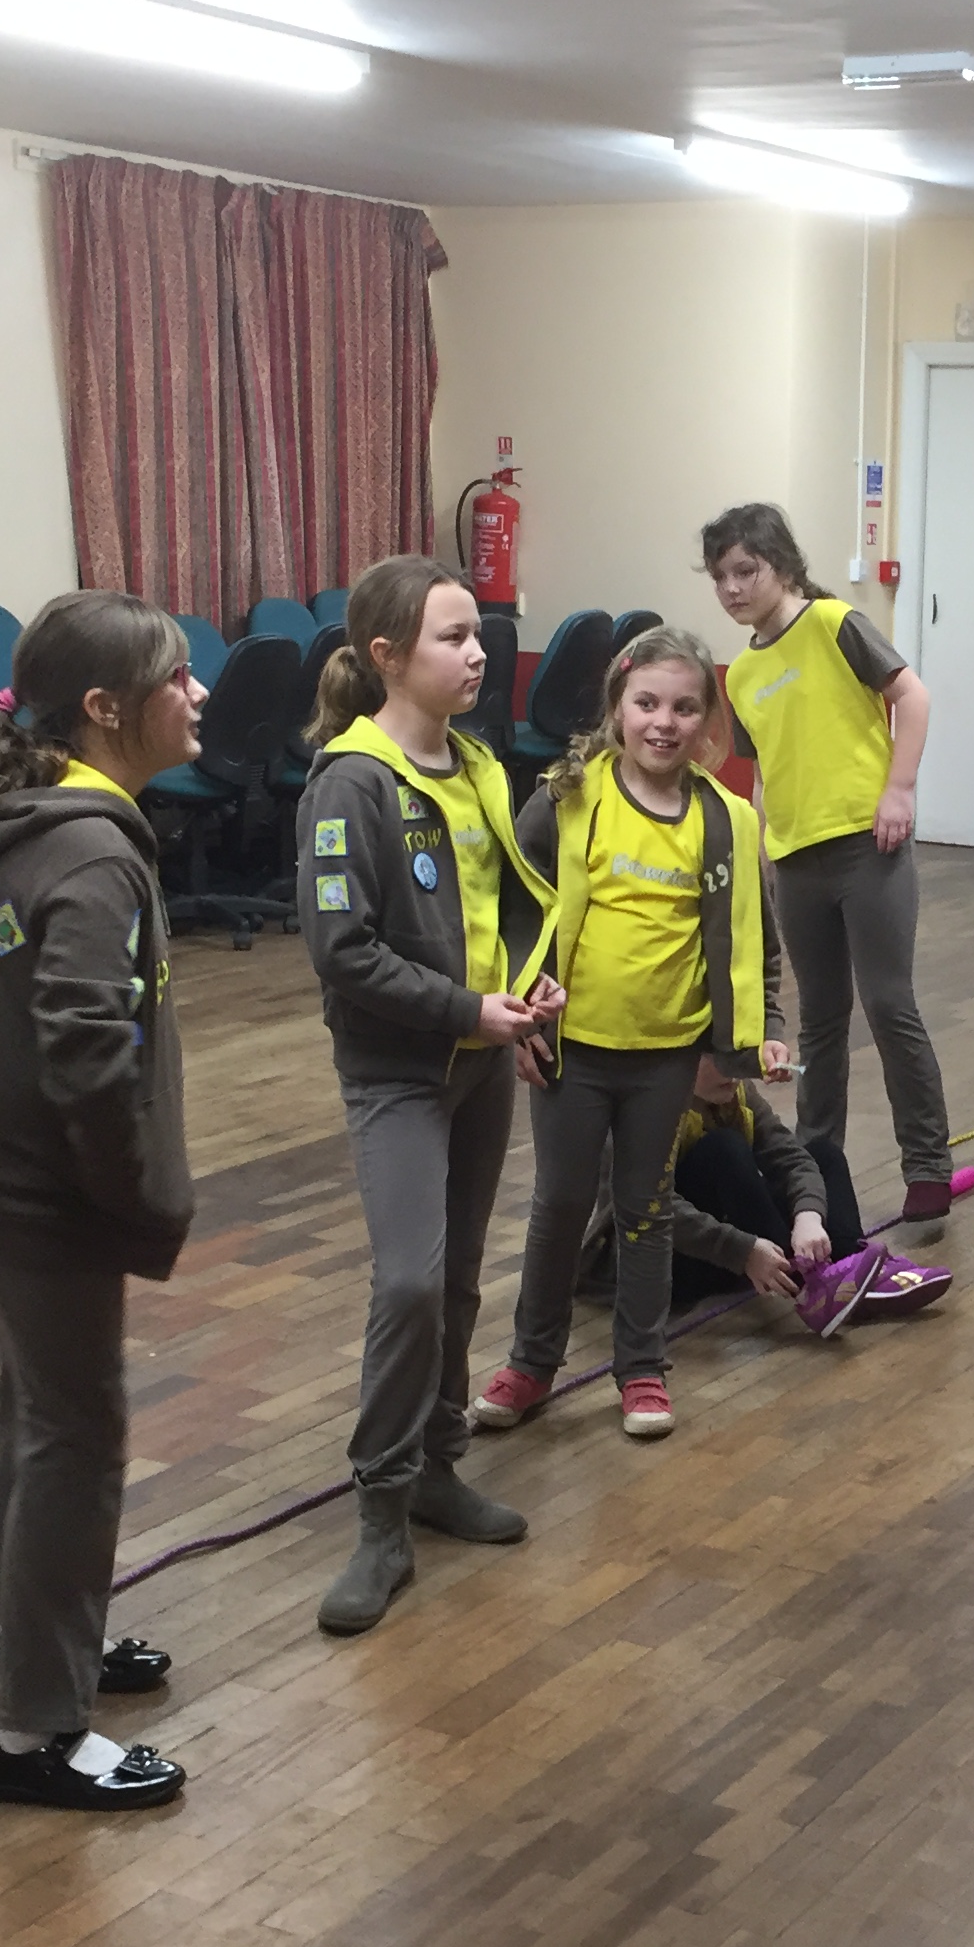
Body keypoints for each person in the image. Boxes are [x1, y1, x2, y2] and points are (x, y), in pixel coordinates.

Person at [0, 591, 205, 1812]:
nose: (198, 693)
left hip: (2, 1173)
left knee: (36, 1414)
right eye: (176, 677)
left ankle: (28, 1638)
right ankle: (37, 1733)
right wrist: (135, 1191)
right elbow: (87, 1049)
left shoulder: (51, 819)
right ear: (104, 708)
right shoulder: (89, 850)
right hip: (46, 1189)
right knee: (77, 1434)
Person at [296, 555, 563, 1635]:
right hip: (399, 1072)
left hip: (479, 1062)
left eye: (477, 633)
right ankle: (380, 1511)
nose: (477, 653)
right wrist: (466, 1011)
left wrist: (528, 992)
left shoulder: (480, 765)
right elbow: (343, 951)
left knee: (454, 1282)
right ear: (388, 657)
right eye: (453, 637)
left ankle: (438, 1468)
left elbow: (507, 907)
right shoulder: (350, 783)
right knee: (407, 1283)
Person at [471, 626, 784, 1444]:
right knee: (561, 1205)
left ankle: (642, 1366)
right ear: (617, 706)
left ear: (707, 720)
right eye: (646, 703)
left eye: (684, 708)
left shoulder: (727, 820)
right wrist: (519, 1006)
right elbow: (510, 901)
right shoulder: (569, 797)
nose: (663, 723)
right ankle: (531, 1364)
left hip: (667, 1056)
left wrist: (765, 1027)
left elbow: (755, 937)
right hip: (572, 1050)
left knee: (646, 1209)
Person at [704, 503, 961, 1240]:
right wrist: (764, 844)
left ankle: (927, 1165)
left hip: (866, 846)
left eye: (746, 570)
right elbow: (763, 769)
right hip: (796, 860)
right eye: (720, 576)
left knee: (888, 1003)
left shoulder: (834, 624)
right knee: (819, 1020)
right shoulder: (743, 672)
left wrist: (899, 790)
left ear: (782, 565)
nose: (732, 588)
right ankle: (817, 1168)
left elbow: (912, 696)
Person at [666, 1051, 952, 1328]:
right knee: (724, 1149)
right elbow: (652, 1207)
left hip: (749, 1252)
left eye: (739, 1053)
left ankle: (852, 1271)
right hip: (685, 1261)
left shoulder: (738, 1091)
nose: (733, 1067)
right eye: (715, 1056)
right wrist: (742, 1251)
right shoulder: (650, 1110)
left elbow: (792, 1158)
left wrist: (809, 1215)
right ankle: (812, 1286)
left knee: (823, 1154)